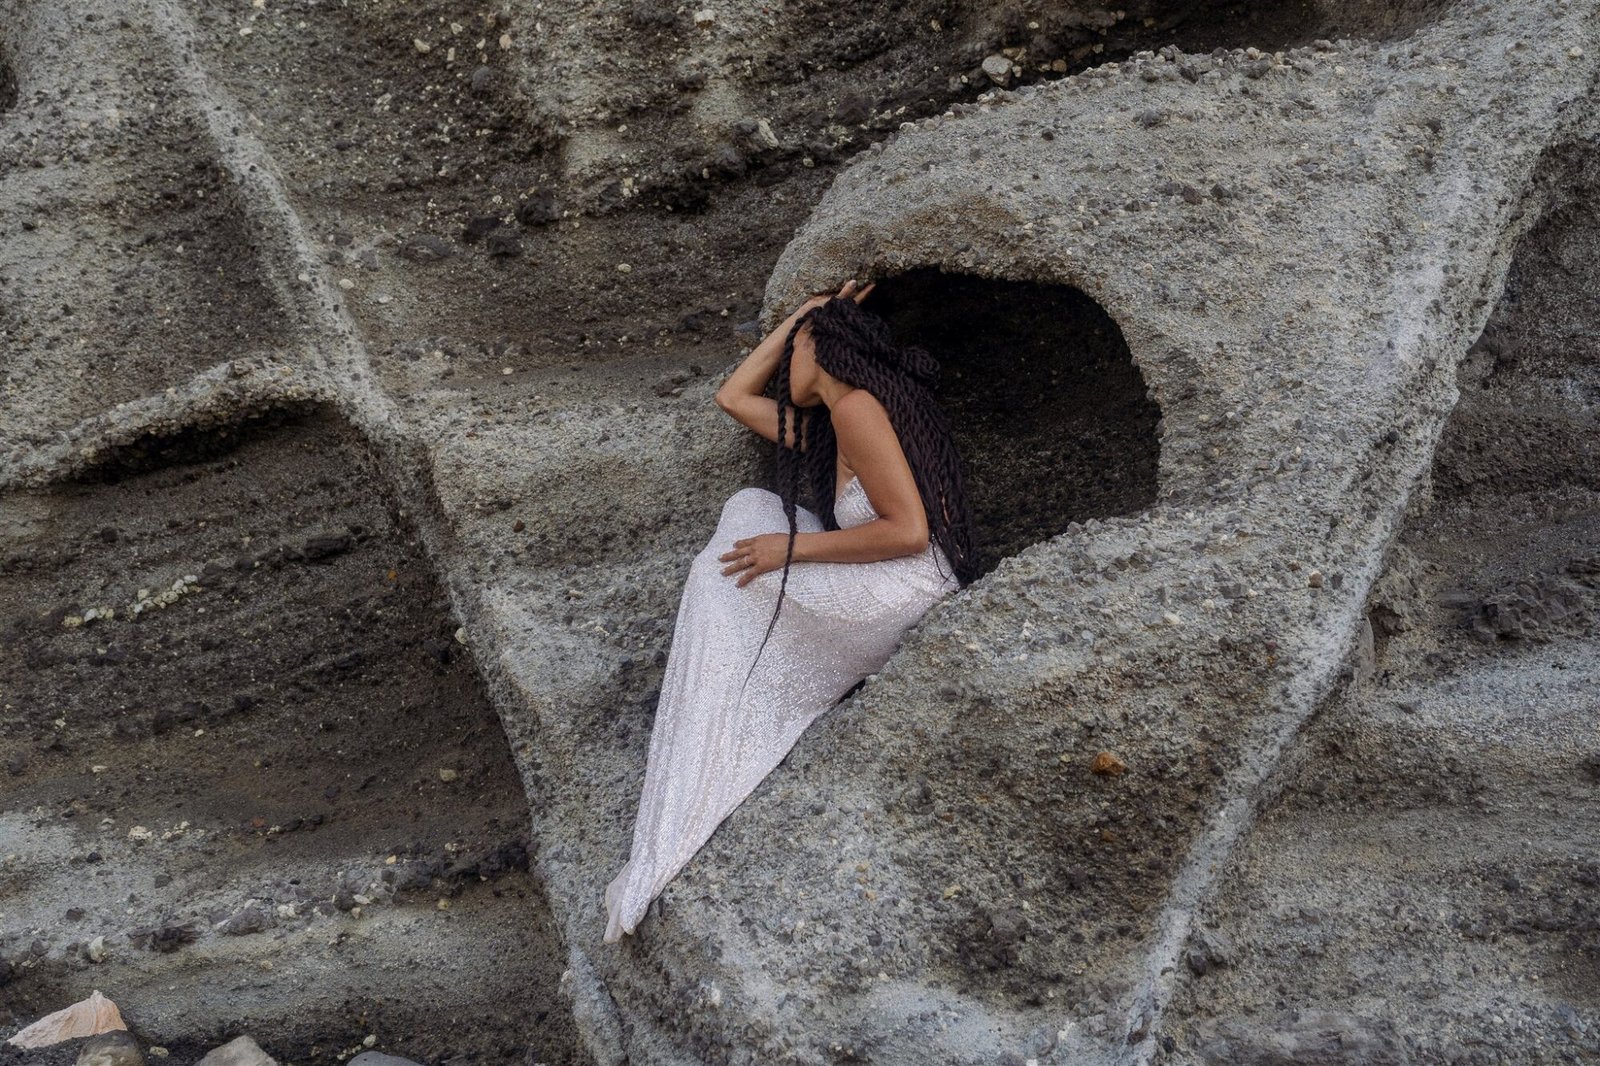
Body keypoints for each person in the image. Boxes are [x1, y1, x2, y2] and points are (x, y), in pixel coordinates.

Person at [602, 278, 981, 943]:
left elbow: (910, 532)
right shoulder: (839, 427)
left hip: (908, 586)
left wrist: (792, 550)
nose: (785, 370)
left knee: (723, 575)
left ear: (827, 352)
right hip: (894, 580)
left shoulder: (861, 407)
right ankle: (727, 716)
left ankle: (715, 731)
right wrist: (801, 320)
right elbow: (732, 397)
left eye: (797, 349)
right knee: (748, 509)